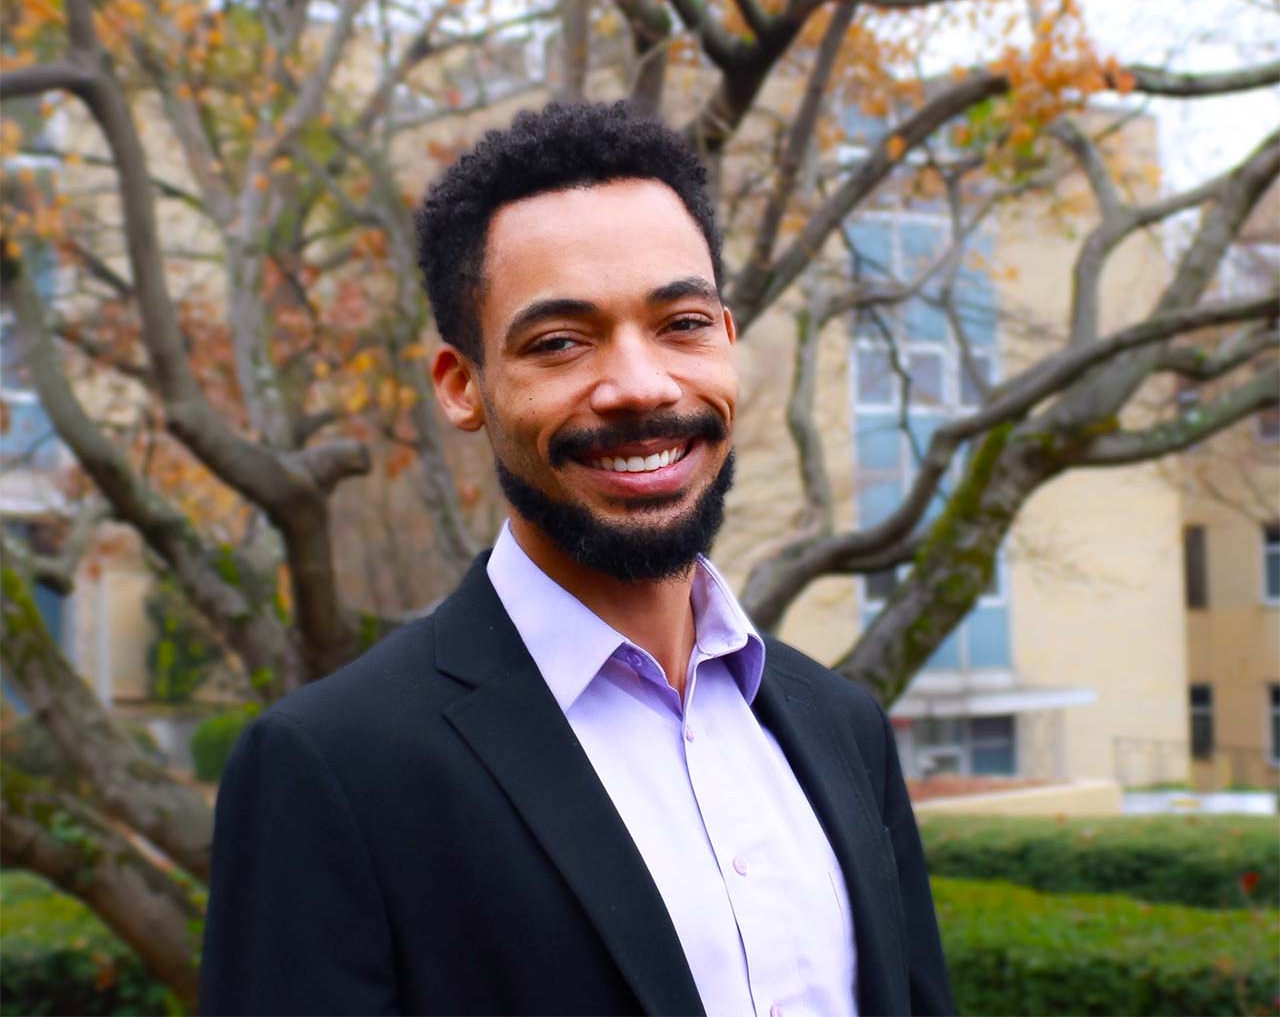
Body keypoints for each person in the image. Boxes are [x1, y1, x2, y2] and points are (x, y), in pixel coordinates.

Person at [199, 101, 952, 1017]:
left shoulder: (845, 728)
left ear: (728, 338)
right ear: (462, 386)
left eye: (681, 324)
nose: (641, 385)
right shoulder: (332, 768)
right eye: (560, 342)